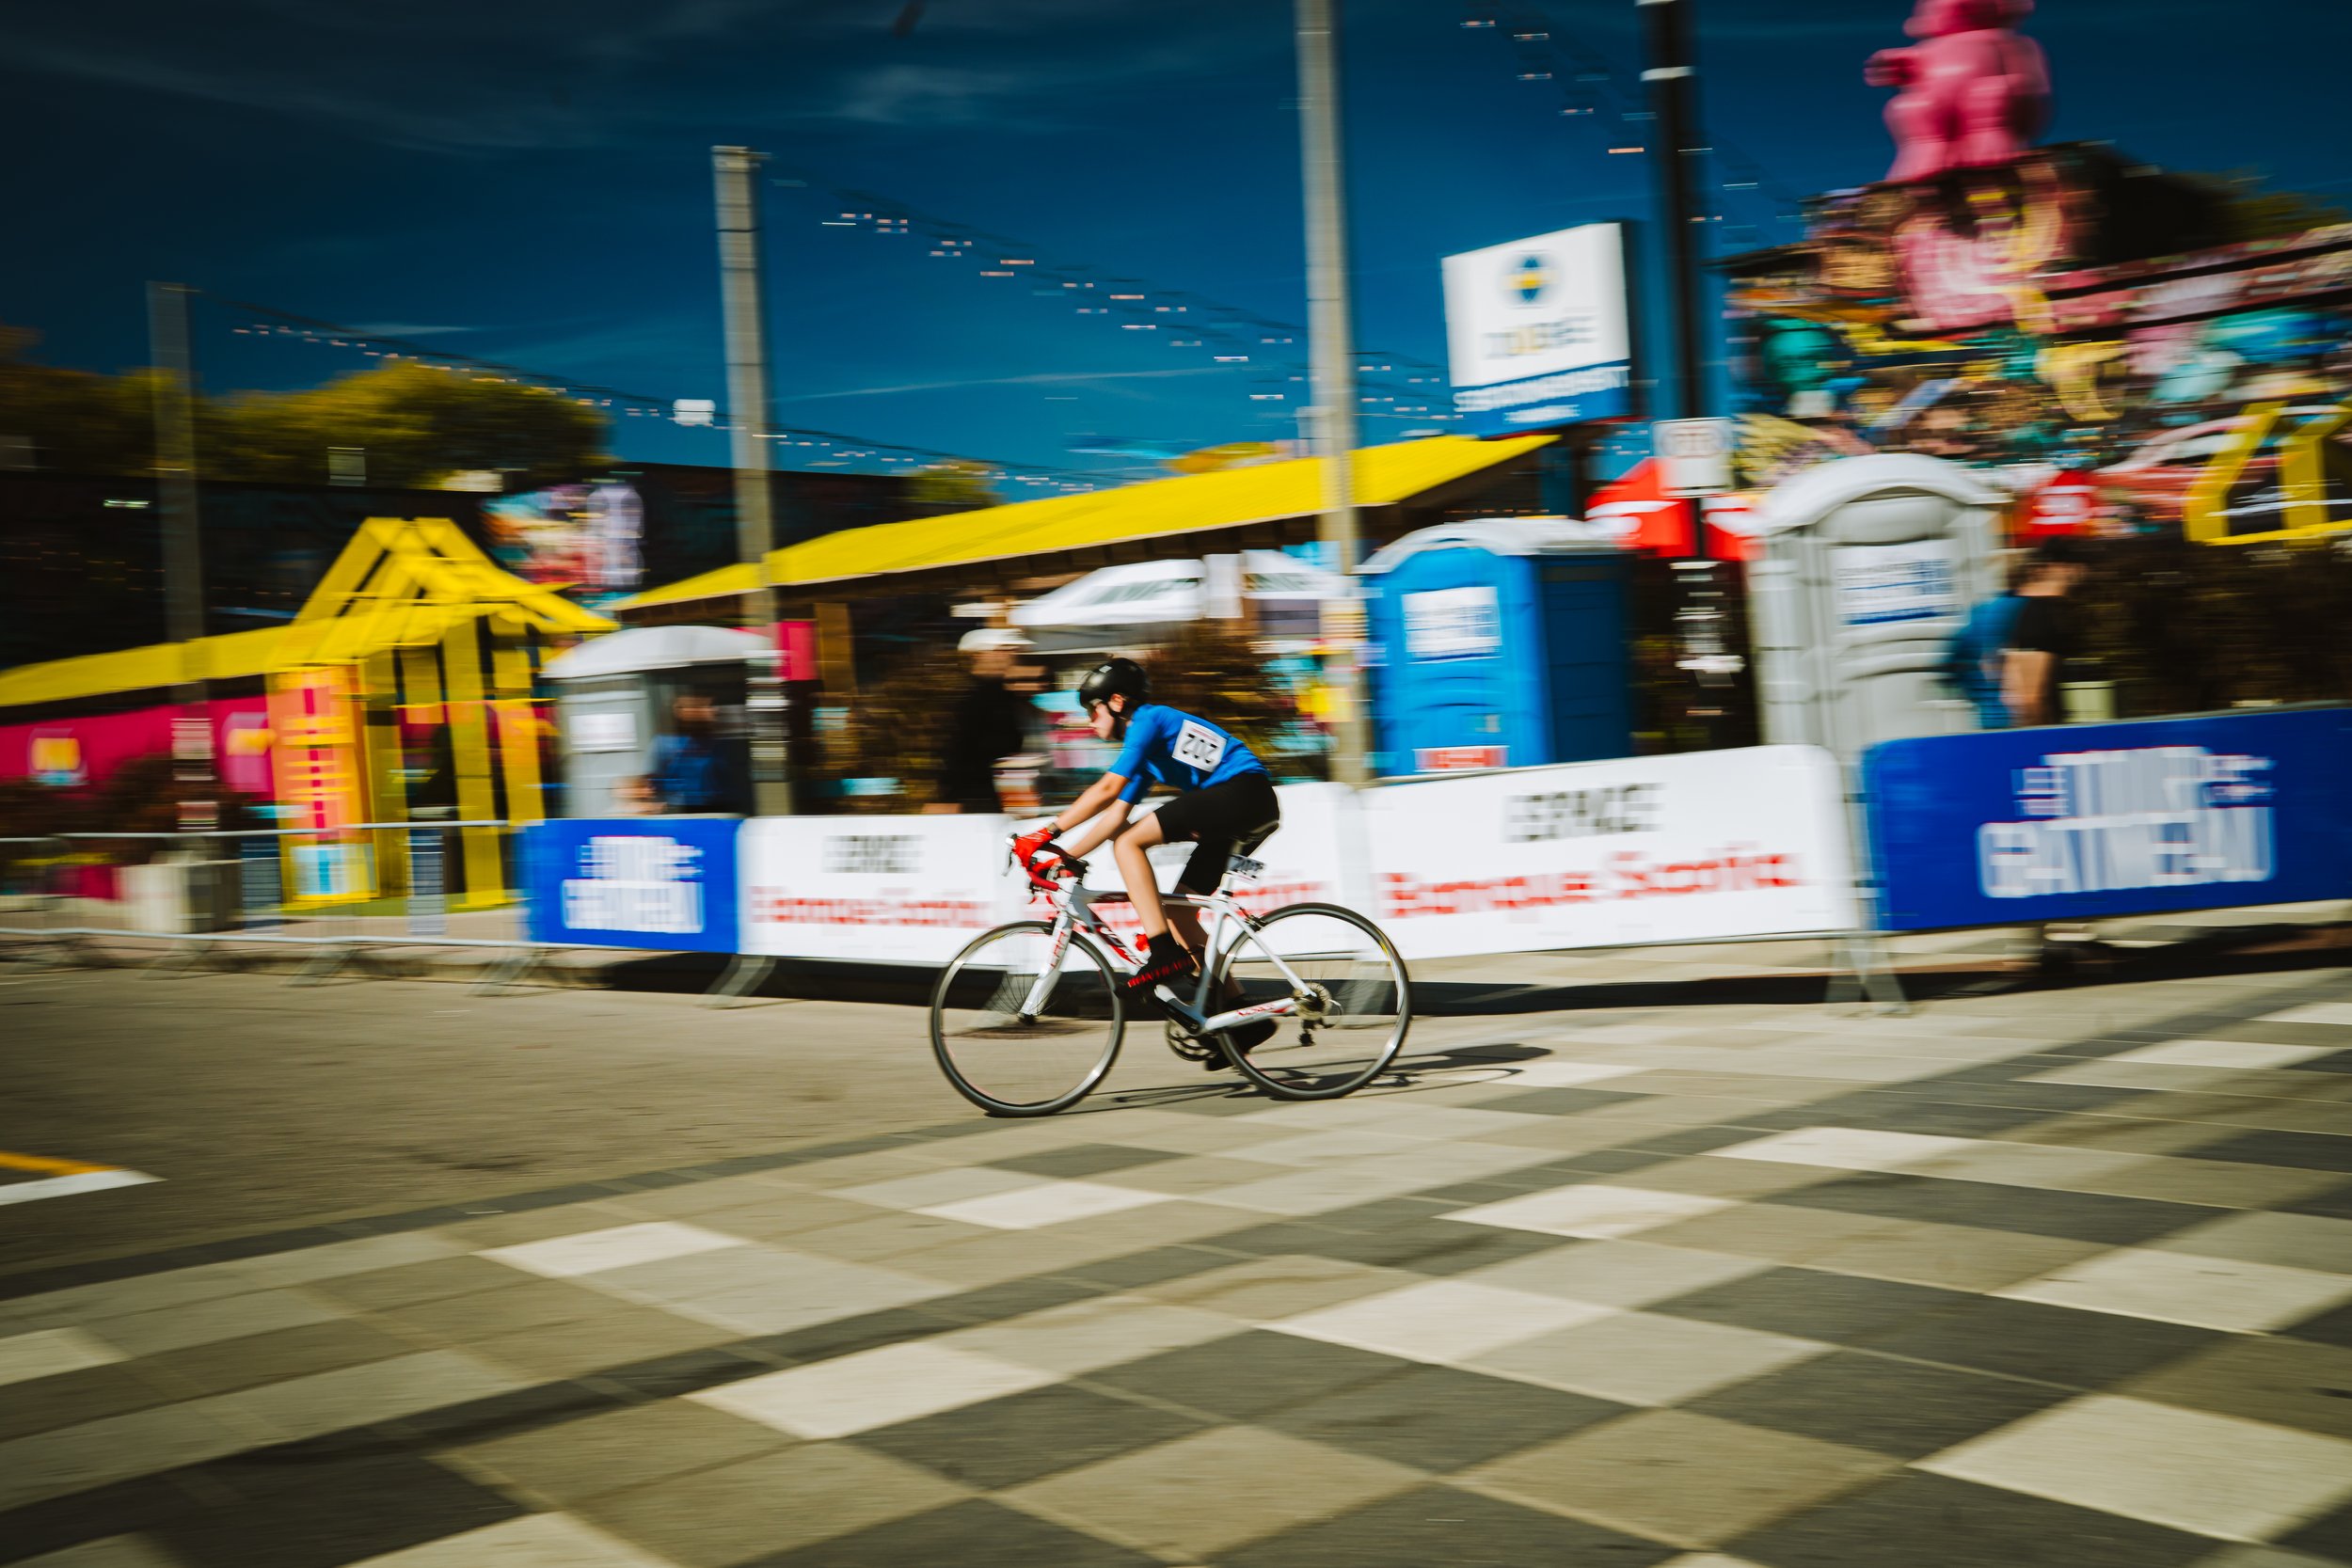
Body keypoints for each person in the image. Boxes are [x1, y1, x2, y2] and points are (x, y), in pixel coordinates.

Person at [1010, 657, 1279, 1060]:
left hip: (1242, 793)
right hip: (1243, 802)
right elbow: (1115, 812)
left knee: (1129, 844)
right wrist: (1062, 856)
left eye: (1092, 709)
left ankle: (1163, 953)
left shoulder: (1149, 721)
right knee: (1180, 914)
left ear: (1117, 701)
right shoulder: (1149, 749)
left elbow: (1105, 790)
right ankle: (1242, 1018)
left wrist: (1045, 834)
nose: (1089, 721)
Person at [932, 628, 1036, 814]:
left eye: (1013, 650)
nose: (1011, 656)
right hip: (975, 797)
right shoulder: (968, 698)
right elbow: (955, 750)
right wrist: (949, 795)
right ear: (979, 655)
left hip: (1000, 795)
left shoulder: (1006, 697)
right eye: (1002, 650)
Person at [2000, 536, 2090, 728]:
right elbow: (2028, 697)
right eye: (2075, 566)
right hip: (2043, 732)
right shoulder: (2039, 614)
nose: (2081, 573)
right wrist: (2043, 738)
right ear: (2058, 567)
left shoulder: (2030, 609)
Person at [1945, 565, 2025, 729]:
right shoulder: (2025, 609)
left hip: (1988, 710)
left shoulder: (1981, 611)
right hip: (2020, 710)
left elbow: (1952, 657)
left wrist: (1973, 691)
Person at [649, 693, 726, 813]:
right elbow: (653, 781)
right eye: (703, 705)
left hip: (713, 809)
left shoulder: (715, 743)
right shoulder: (663, 743)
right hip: (677, 811)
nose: (712, 710)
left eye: (709, 705)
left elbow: (722, 781)